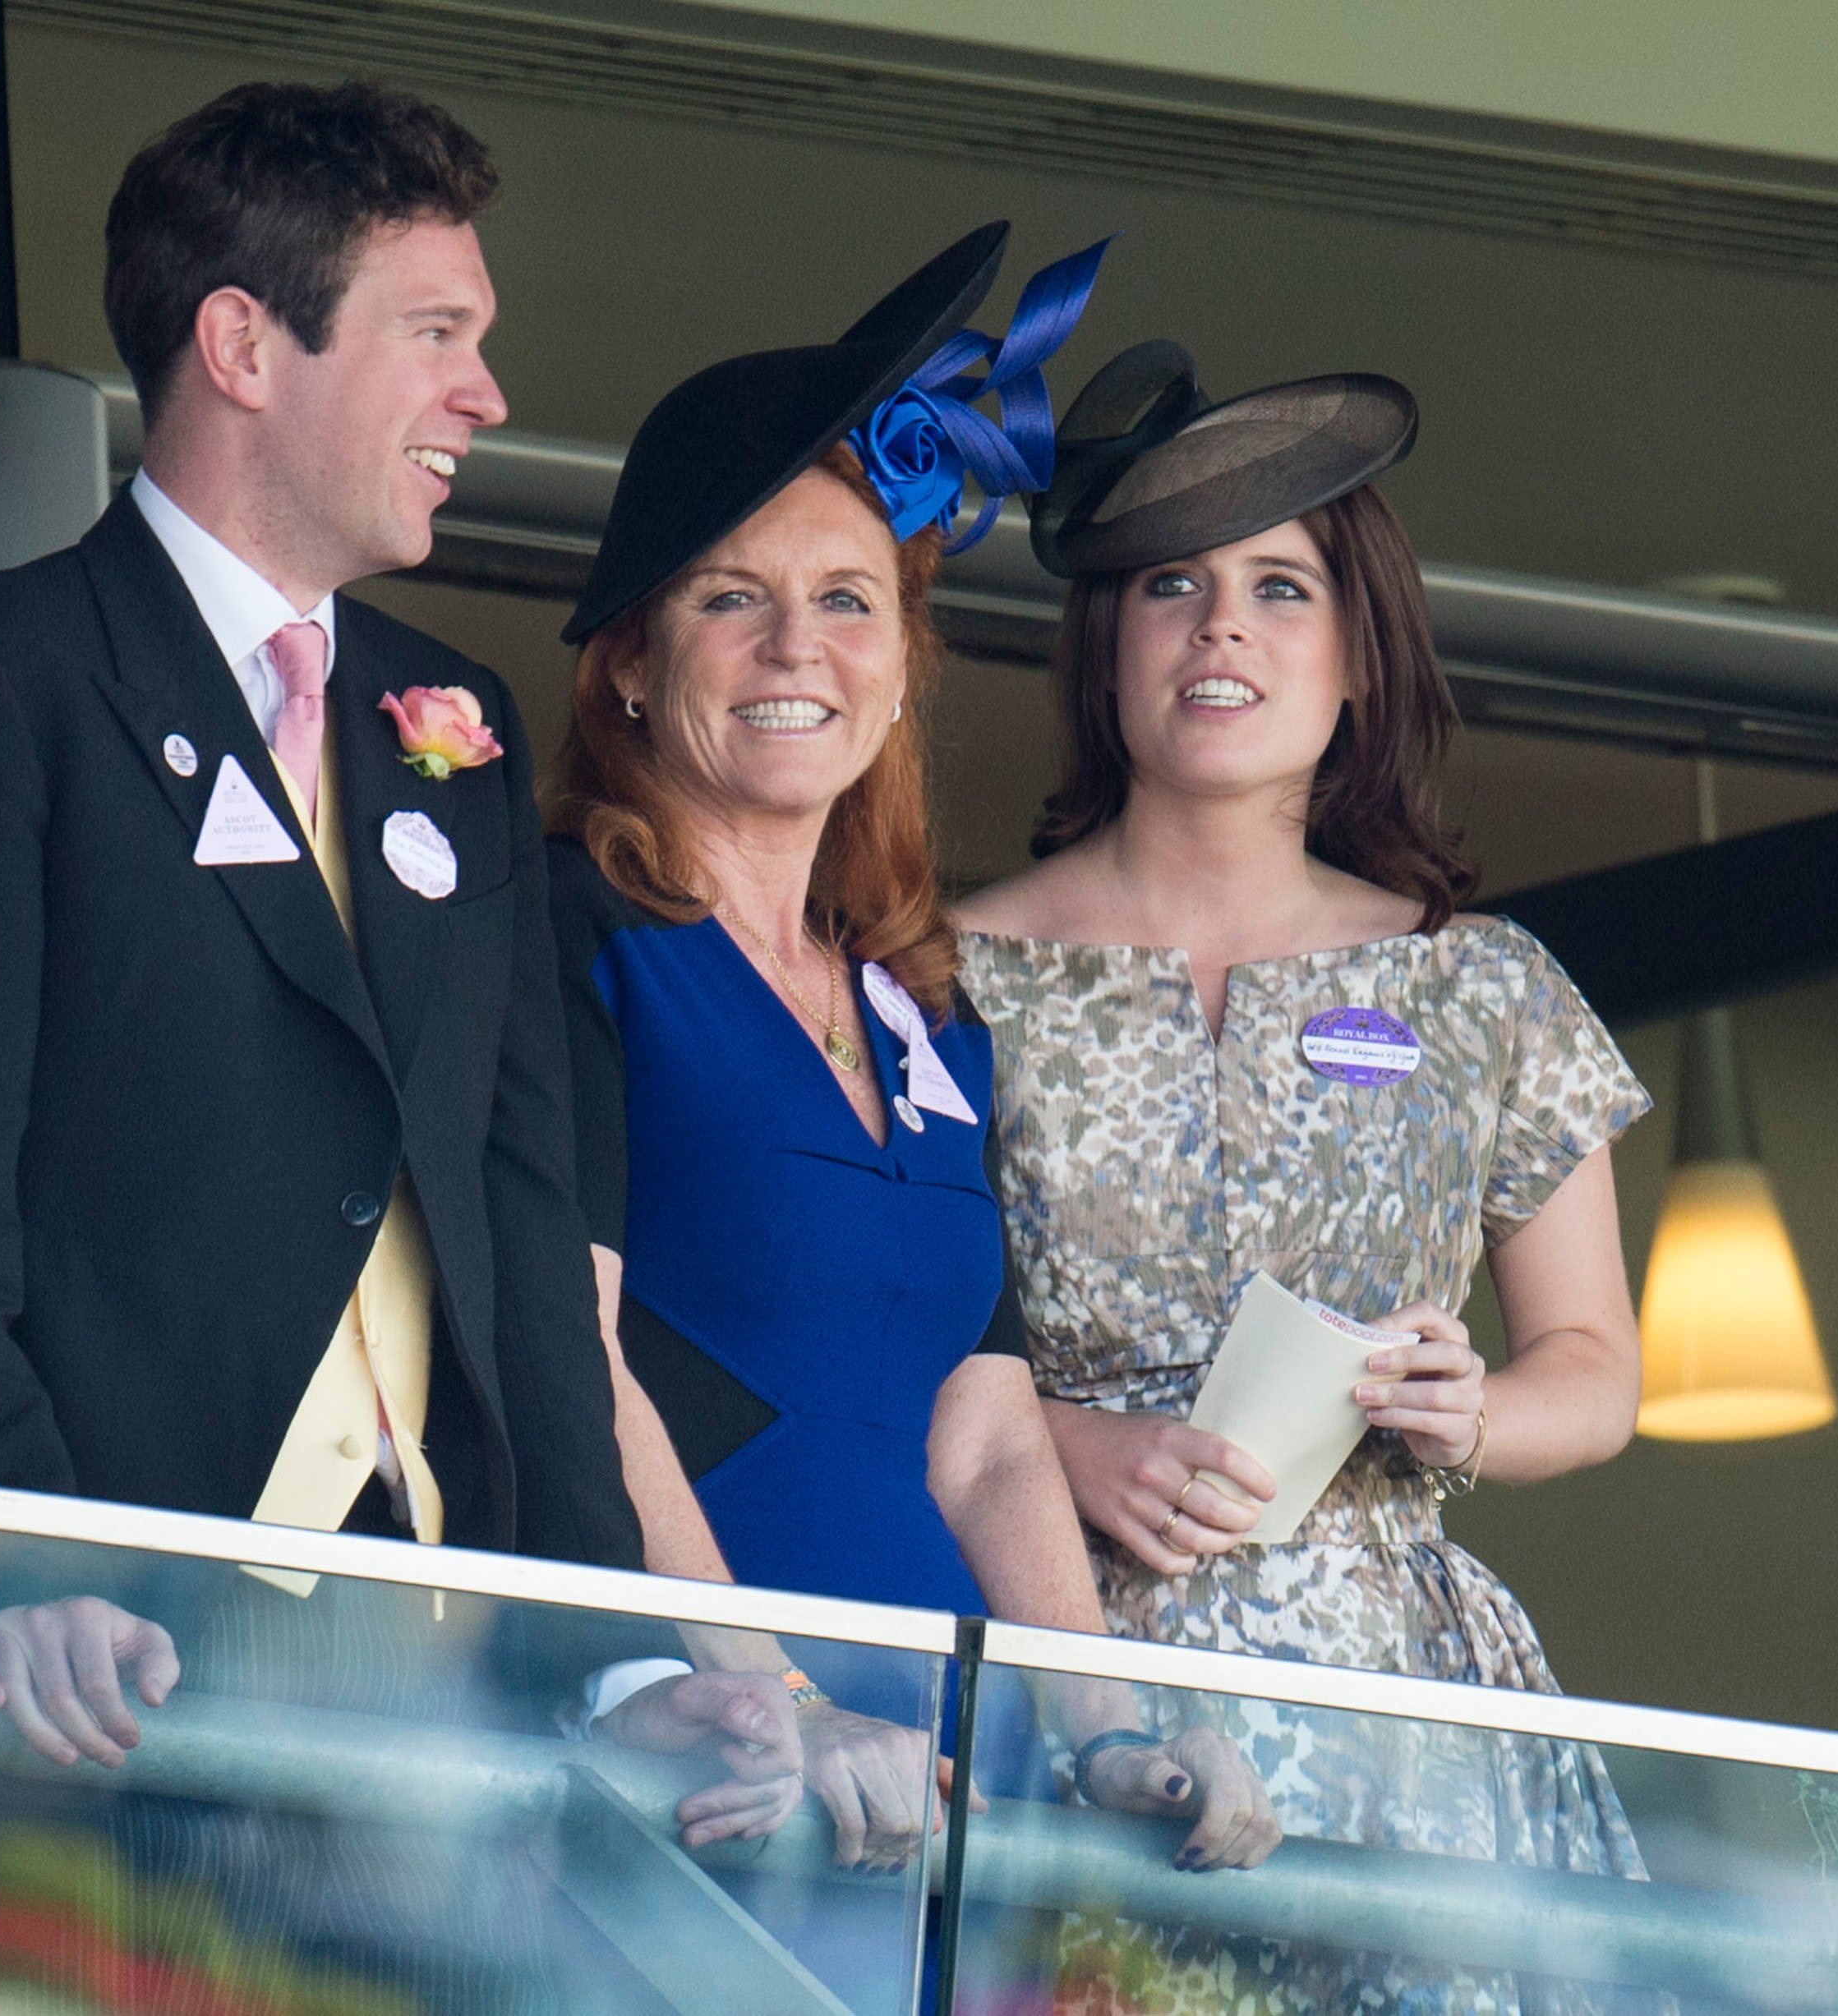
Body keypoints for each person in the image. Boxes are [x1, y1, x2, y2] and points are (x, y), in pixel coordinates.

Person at [0, 80, 785, 1794]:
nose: (488, 395)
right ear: (242, 343)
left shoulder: (449, 719)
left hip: (442, 1674)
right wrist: (35, 1559)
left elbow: (521, 1229)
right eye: (436, 332)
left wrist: (605, 1653)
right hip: (96, 1671)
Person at [543, 226, 1278, 1903]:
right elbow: (570, 1352)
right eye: (732, 598)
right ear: (633, 672)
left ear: (896, 678)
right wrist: (770, 1703)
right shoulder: (564, 931)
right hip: (713, 1774)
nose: (796, 646)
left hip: (958, 1793)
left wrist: (1108, 1729)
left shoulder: (929, 1013)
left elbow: (990, 1436)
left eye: (846, 601)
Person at [953, 344, 1654, 2012]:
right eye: (1169, 586)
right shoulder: (936, 973)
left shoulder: (1478, 982)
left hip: (1391, 1692)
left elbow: (1601, 1375)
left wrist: (1467, 1407)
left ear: (1358, 661)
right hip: (1063, 1659)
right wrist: (1064, 1439)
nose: (1220, 626)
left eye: (1283, 587)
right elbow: (856, 1338)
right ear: (1101, 647)